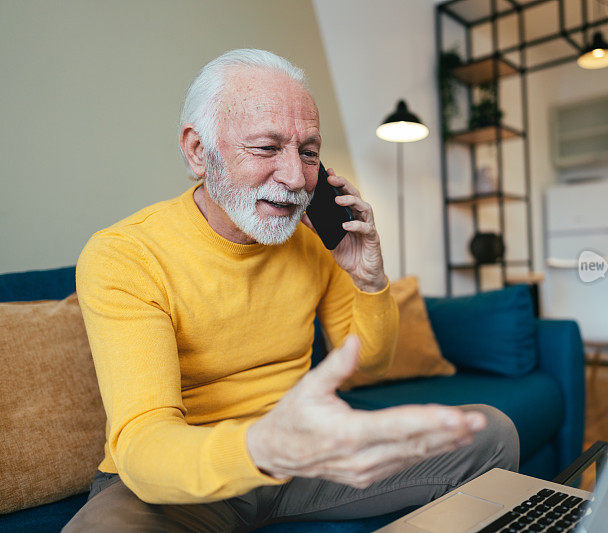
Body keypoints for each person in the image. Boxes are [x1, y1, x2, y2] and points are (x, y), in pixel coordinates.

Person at [64, 49, 519, 532]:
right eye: (266, 148)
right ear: (198, 150)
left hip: (303, 459)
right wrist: (263, 447)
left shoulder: (315, 238)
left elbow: (369, 365)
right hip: (185, 478)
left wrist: (368, 281)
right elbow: (144, 443)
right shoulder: (125, 254)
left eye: (308, 151)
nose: (297, 178)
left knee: (490, 435)